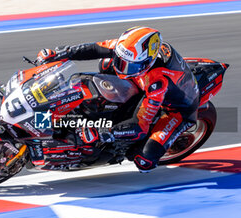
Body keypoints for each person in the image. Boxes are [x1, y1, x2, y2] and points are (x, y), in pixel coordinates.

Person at [36, 26, 199, 172]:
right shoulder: (129, 48)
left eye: (129, 65)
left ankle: (129, 147)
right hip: (141, 83)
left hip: (176, 111)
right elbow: (95, 48)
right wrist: (61, 54)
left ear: (146, 63)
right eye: (121, 61)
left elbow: (140, 125)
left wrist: (104, 132)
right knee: (106, 63)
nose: (121, 67)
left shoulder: (158, 83)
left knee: (145, 161)